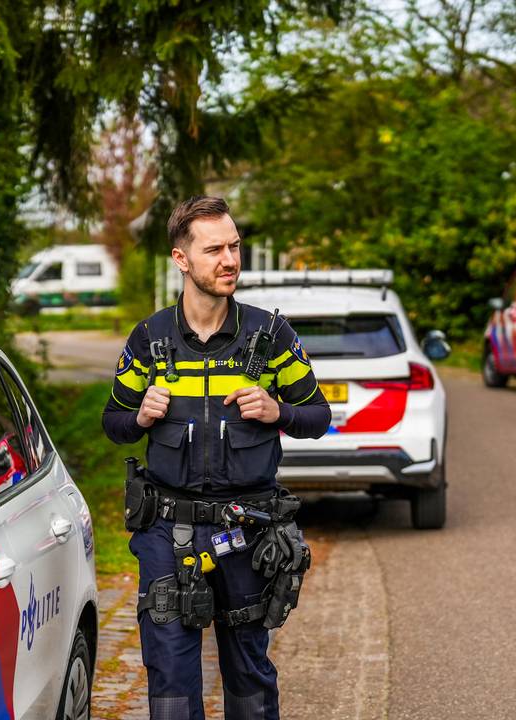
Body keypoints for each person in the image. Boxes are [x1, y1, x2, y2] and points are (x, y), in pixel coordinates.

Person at [102, 196, 331, 720]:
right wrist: (139, 417)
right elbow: (112, 424)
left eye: (234, 246)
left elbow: (317, 416)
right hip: (167, 531)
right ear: (181, 260)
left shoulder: (269, 337)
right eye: (214, 250)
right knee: (171, 676)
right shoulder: (149, 339)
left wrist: (278, 411)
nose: (229, 260)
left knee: (249, 672)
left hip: (247, 530)